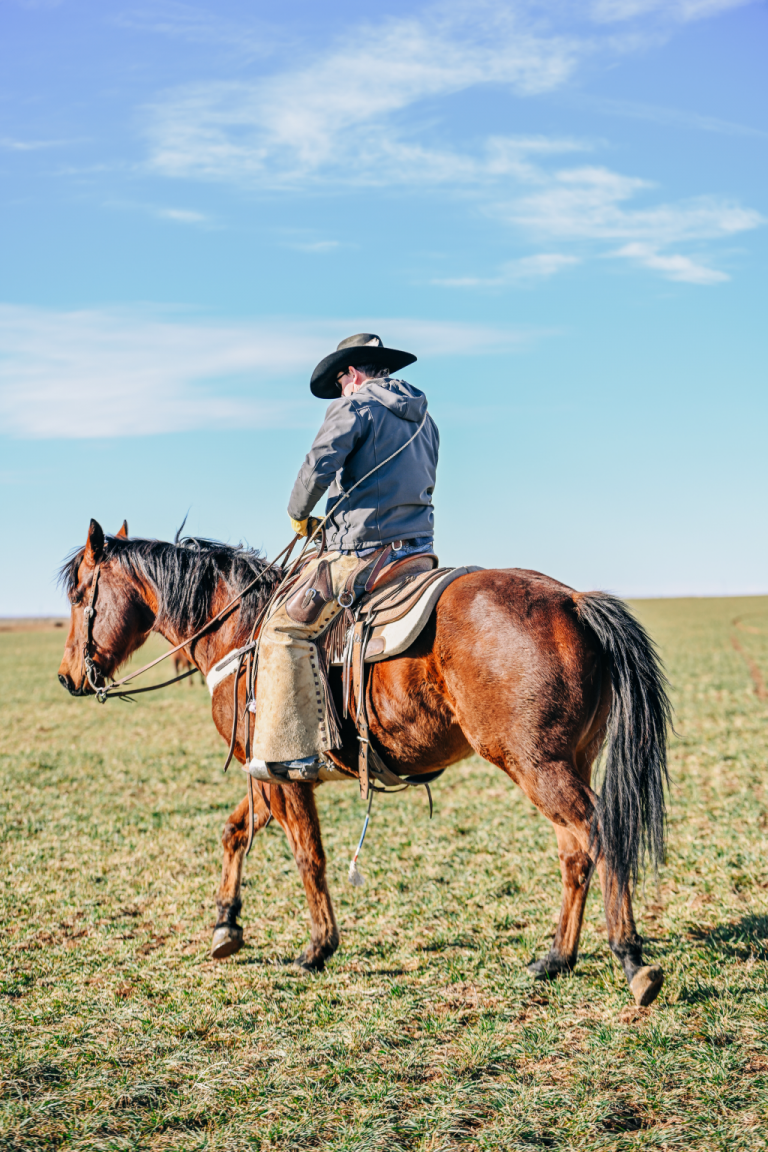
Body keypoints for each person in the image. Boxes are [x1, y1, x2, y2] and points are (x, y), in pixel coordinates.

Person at [249, 333, 440, 778]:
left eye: (339, 383)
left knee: (281, 631)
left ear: (352, 374)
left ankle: (296, 751)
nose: (339, 392)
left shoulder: (355, 406)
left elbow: (318, 464)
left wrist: (298, 513)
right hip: (418, 554)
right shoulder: (426, 420)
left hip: (363, 555)